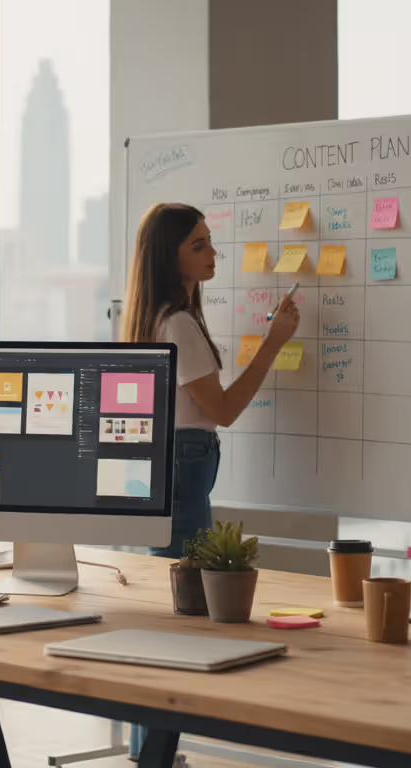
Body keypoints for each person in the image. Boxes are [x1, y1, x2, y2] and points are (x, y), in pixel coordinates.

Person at [120, 202, 298, 761]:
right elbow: (222, 409)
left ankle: (150, 750)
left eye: (209, 241)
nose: (212, 253)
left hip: (170, 463)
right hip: (186, 464)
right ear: (170, 257)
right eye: (198, 244)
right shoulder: (177, 323)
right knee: (186, 610)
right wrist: (274, 341)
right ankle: (155, 753)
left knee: (171, 606)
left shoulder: (155, 316)